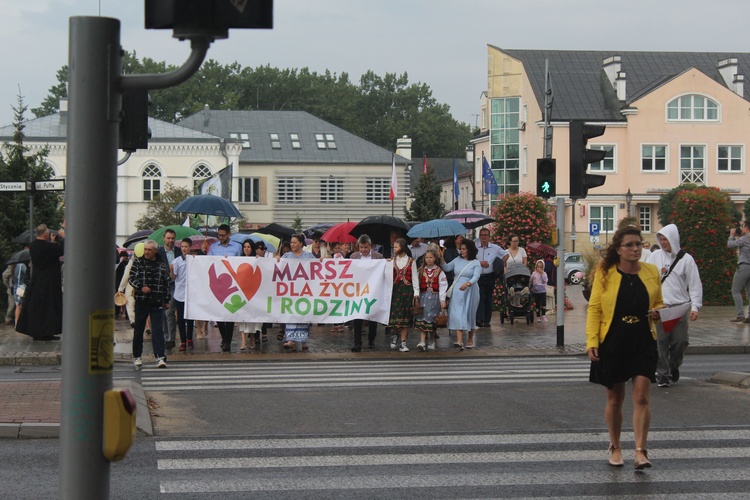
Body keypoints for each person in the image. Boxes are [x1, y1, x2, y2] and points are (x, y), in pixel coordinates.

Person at [586, 226, 663, 470]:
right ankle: (616, 446)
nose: (635, 249)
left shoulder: (651, 272)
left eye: (638, 244)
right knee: (615, 397)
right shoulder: (605, 273)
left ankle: (640, 451)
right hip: (614, 339)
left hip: (642, 338)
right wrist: (592, 341)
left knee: (641, 394)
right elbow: (595, 309)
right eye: (629, 245)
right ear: (618, 249)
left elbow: (659, 302)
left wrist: (658, 312)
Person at [648, 223, 702, 387]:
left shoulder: (686, 260)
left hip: (679, 308)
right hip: (660, 308)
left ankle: (673, 366)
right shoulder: (655, 257)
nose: (664, 242)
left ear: (674, 239)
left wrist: (695, 307)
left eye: (666, 239)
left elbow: (694, 284)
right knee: (661, 343)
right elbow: (646, 277)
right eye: (661, 239)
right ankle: (663, 374)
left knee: (680, 342)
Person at [16, 224, 65, 341]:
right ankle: (47, 331)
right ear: (46, 234)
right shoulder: (48, 247)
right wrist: (64, 238)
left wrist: (52, 243)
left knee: (38, 307)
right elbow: (61, 250)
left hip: (37, 279)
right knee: (49, 307)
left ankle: (38, 331)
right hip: (49, 281)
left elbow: (48, 251)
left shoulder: (33, 246)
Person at [129, 239, 172, 368]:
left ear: (155, 250)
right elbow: (132, 278)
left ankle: (160, 356)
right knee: (139, 329)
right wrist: (141, 287)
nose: (146, 252)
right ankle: (137, 356)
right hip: (142, 300)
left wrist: (166, 300)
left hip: (157, 300)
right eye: (145, 249)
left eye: (149, 250)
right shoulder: (138, 262)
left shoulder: (161, 264)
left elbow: (166, 282)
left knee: (158, 330)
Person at [204, 224, 243, 352]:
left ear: (228, 234)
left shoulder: (237, 247)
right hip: (218, 283)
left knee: (230, 313)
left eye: (222, 235)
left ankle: (228, 341)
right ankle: (224, 337)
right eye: (219, 235)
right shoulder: (213, 247)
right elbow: (207, 262)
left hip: (232, 283)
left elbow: (242, 264)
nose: (220, 237)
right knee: (219, 314)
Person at [441, 239, 481, 350]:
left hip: (470, 290)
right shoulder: (457, 260)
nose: (461, 251)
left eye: (464, 249)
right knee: (458, 313)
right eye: (461, 249)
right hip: (457, 290)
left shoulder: (476, 263)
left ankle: (469, 339)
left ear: (470, 250)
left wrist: (468, 283)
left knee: (469, 314)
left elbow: (476, 277)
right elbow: (447, 268)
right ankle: (459, 340)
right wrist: (441, 258)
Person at [280, 233, 315, 351]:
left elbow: (318, 267)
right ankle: (290, 339)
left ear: (301, 243)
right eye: (291, 242)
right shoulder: (286, 256)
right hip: (290, 291)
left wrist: (323, 260)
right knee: (291, 314)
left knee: (303, 314)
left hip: (304, 291)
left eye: (295, 242)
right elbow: (276, 266)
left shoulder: (308, 256)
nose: (292, 245)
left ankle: (303, 340)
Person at [349, 234, 383, 351]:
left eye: (365, 247)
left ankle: (371, 339)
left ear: (370, 246)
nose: (363, 250)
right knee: (357, 317)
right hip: (358, 291)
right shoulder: (353, 257)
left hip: (373, 290)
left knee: (372, 317)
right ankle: (357, 343)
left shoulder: (378, 257)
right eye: (361, 247)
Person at [387, 238, 419, 352]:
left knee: (405, 318)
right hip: (396, 291)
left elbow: (415, 279)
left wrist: (416, 294)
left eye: (396, 247)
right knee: (396, 317)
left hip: (407, 291)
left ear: (402, 247)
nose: (394, 249)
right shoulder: (392, 261)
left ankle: (403, 342)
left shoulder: (411, 261)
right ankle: (395, 335)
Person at [414, 245, 447, 351]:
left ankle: (432, 340)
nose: (428, 259)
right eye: (427, 257)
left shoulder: (439, 272)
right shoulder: (420, 271)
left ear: (435, 259)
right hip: (423, 297)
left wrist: (442, 299)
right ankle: (422, 341)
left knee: (432, 320)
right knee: (423, 319)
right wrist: (416, 295)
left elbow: (443, 286)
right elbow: (416, 284)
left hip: (434, 299)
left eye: (431, 257)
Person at [475, 228, 504, 328]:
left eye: (486, 235)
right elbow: (470, 259)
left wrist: (498, 265)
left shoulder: (495, 248)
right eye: (482, 235)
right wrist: (479, 263)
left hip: (490, 276)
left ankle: (487, 320)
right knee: (480, 297)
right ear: (479, 236)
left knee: (488, 298)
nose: (484, 237)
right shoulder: (475, 247)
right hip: (478, 276)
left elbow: (506, 255)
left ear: (489, 236)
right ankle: (479, 319)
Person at [158, 229, 182, 349]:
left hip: (175, 285)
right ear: (164, 238)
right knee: (162, 312)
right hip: (162, 285)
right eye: (168, 238)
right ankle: (165, 335)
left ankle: (170, 339)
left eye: (173, 238)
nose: (171, 240)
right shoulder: (158, 252)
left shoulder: (178, 251)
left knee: (169, 312)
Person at [237, 239, 262, 350]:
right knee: (241, 316)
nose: (246, 248)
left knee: (251, 317)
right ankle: (243, 341)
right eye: (244, 246)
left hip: (253, 292)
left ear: (252, 248)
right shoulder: (237, 260)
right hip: (241, 292)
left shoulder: (257, 260)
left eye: (248, 247)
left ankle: (251, 337)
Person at [170, 238, 194, 352]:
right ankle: (183, 341)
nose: (184, 249)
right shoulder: (177, 261)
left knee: (190, 318)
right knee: (180, 319)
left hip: (191, 293)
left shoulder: (194, 259)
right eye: (182, 246)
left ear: (190, 247)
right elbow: (173, 278)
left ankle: (190, 339)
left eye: (186, 246)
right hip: (180, 293)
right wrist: (171, 270)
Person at [728, 221, 750, 322]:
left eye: (742, 226)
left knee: (735, 290)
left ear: (746, 227)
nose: (741, 228)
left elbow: (730, 245)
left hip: (744, 266)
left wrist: (731, 235)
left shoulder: (745, 238)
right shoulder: (745, 238)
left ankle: (740, 314)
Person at [115, 251, 129, 320]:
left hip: (125, 284)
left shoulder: (127, 264)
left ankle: (126, 314)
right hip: (118, 283)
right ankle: (117, 313)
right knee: (118, 298)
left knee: (127, 299)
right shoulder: (119, 264)